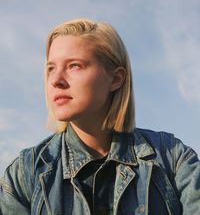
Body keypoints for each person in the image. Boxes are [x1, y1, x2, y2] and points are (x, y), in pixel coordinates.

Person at [0, 18, 200, 215]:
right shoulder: (24, 174)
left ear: (116, 79)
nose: (56, 80)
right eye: (51, 68)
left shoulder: (173, 158)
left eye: (74, 65)